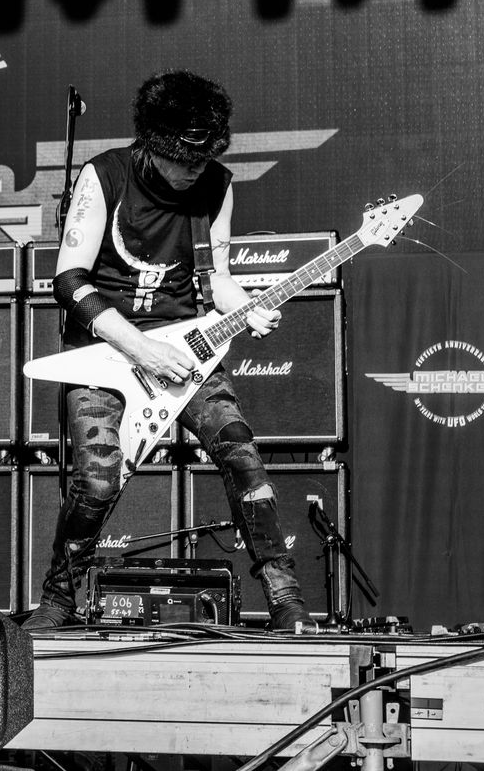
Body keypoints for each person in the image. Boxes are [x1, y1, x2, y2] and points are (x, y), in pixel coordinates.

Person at [25, 70, 310, 631]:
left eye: (203, 160)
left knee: (243, 459)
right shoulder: (104, 176)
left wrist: (248, 305)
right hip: (106, 348)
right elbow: (69, 280)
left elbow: (216, 276)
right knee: (98, 479)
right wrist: (141, 349)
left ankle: (285, 597)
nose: (194, 171)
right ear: (154, 146)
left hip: (186, 348)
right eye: (184, 161)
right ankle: (59, 597)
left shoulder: (217, 184)